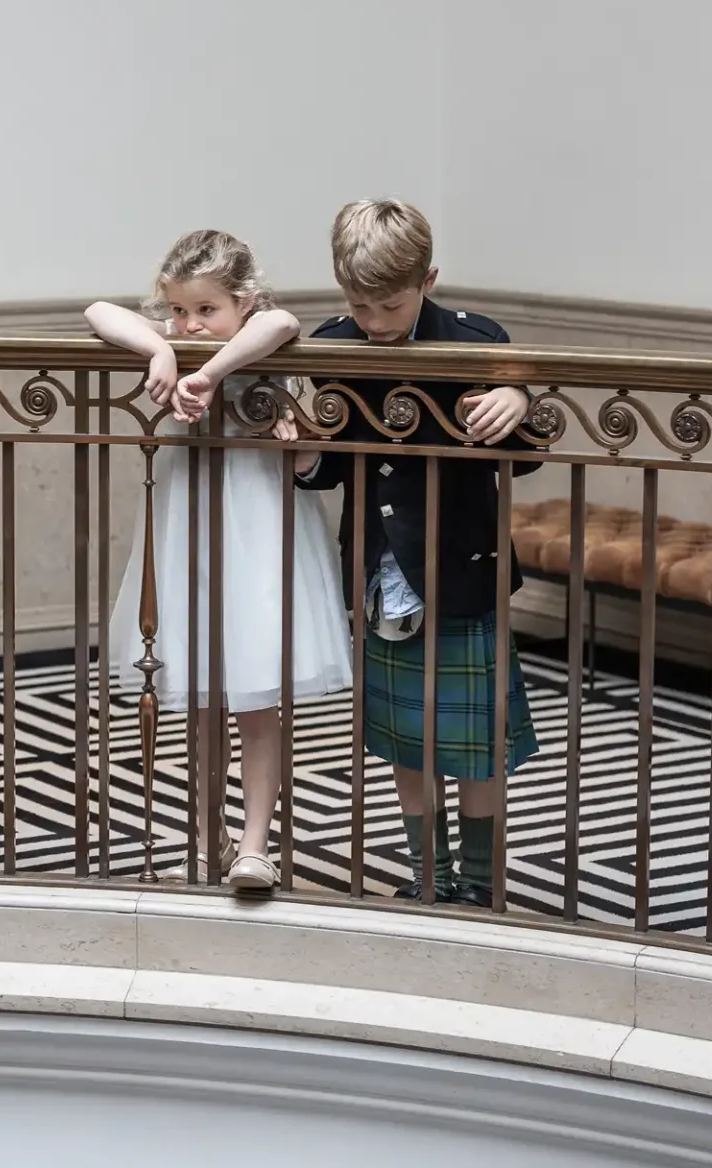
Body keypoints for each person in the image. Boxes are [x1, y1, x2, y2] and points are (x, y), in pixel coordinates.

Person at [290, 199, 540, 906]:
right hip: (380, 574)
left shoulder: (474, 340)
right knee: (406, 740)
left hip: (464, 571)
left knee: (477, 743)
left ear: (428, 279)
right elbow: (333, 467)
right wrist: (306, 454)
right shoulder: (333, 345)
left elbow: (523, 461)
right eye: (358, 304)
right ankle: (427, 880)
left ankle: (481, 884)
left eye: (389, 306)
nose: (372, 321)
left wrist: (515, 404)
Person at [95, 230, 352, 891]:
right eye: (180, 311)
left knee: (256, 695)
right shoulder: (173, 343)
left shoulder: (268, 338)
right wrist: (159, 347)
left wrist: (209, 373)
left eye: (207, 310)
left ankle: (256, 844)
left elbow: (283, 321)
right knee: (204, 695)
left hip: (260, 526)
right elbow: (98, 312)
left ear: (242, 302)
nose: (191, 324)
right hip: (190, 527)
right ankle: (209, 832)